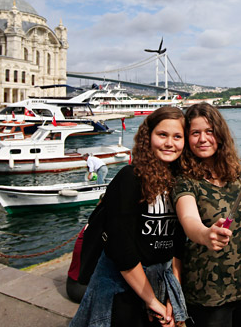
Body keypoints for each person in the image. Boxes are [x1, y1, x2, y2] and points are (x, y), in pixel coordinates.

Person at [70, 106, 188, 327]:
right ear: (148, 137)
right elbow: (121, 247)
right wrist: (151, 301)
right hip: (123, 286)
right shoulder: (130, 178)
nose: (170, 143)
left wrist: (173, 294)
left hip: (161, 282)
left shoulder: (180, 183)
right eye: (162, 135)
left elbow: (178, 244)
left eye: (177, 137)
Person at [172, 103, 241, 327]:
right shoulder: (184, 180)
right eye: (195, 133)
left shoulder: (235, 174)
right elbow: (189, 220)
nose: (203, 139)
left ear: (220, 135)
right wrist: (206, 234)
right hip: (209, 297)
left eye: (209, 131)